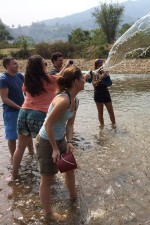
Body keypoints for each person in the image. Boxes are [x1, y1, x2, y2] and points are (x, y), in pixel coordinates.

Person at [35, 65, 86, 221]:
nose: (85, 80)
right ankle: (49, 215)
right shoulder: (63, 100)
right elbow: (48, 125)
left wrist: (69, 141)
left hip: (60, 140)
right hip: (46, 142)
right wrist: (55, 149)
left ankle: (73, 199)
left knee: (69, 170)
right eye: (83, 78)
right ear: (76, 81)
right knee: (47, 179)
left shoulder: (75, 100)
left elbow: (70, 124)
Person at [12, 55, 72, 179]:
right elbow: (62, 79)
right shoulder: (50, 79)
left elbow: (26, 91)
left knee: (20, 148)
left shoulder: (27, 80)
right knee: (49, 146)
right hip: (39, 114)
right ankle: (49, 178)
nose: (47, 66)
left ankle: (14, 176)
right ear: (40, 67)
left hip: (23, 113)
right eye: (44, 64)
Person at [0, 57, 33, 158]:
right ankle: (13, 159)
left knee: (27, 133)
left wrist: (30, 104)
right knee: (12, 136)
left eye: (17, 63)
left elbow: (26, 91)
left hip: (23, 109)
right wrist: (19, 108)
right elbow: (5, 99)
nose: (17, 65)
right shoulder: (3, 79)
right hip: (10, 112)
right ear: (7, 66)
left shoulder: (19, 76)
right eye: (14, 64)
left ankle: (32, 154)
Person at [92, 59, 115, 126]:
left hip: (106, 93)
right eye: (100, 65)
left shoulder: (105, 72)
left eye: (102, 65)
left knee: (111, 112)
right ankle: (102, 127)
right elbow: (94, 84)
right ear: (96, 66)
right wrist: (100, 78)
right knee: (100, 113)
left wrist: (107, 75)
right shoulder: (94, 73)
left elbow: (109, 83)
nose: (101, 67)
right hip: (98, 94)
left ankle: (114, 126)